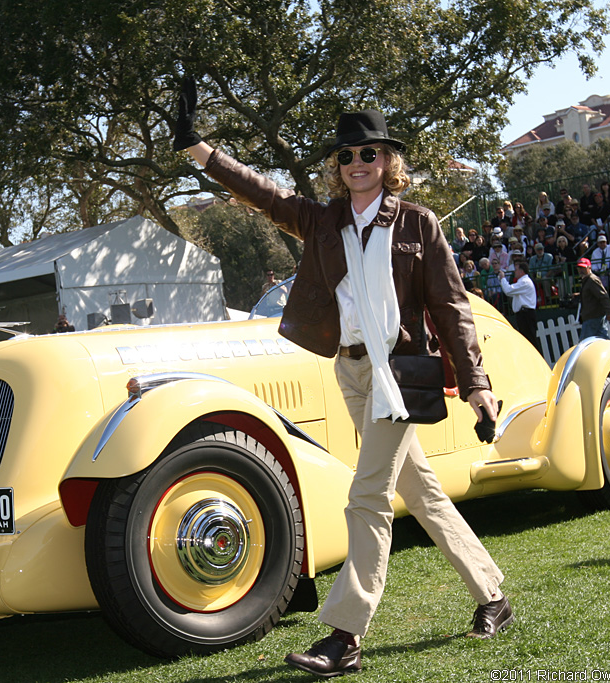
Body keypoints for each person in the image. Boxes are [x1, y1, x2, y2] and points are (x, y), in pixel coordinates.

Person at [174, 79, 510, 678]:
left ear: (389, 160)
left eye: (370, 153)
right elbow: (262, 193)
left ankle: (345, 636)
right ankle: (493, 595)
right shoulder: (323, 221)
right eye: (347, 156)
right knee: (423, 494)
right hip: (350, 369)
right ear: (338, 167)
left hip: (400, 374)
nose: (358, 163)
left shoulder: (418, 224)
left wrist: (478, 383)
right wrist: (201, 151)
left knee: (367, 496)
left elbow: (451, 306)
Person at [498, 261, 539, 351]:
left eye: (516, 270)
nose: (514, 272)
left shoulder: (524, 282)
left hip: (526, 314)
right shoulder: (522, 282)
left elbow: (508, 290)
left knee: (530, 340)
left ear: (521, 271)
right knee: (527, 339)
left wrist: (503, 279)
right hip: (523, 314)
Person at [576, 257, 610, 340]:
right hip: (595, 317)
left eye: (583, 268)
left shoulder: (592, 280)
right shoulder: (587, 280)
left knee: (584, 344)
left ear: (589, 268)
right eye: (579, 268)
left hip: (592, 318)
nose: (581, 270)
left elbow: (603, 296)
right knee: (604, 341)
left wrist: (609, 312)